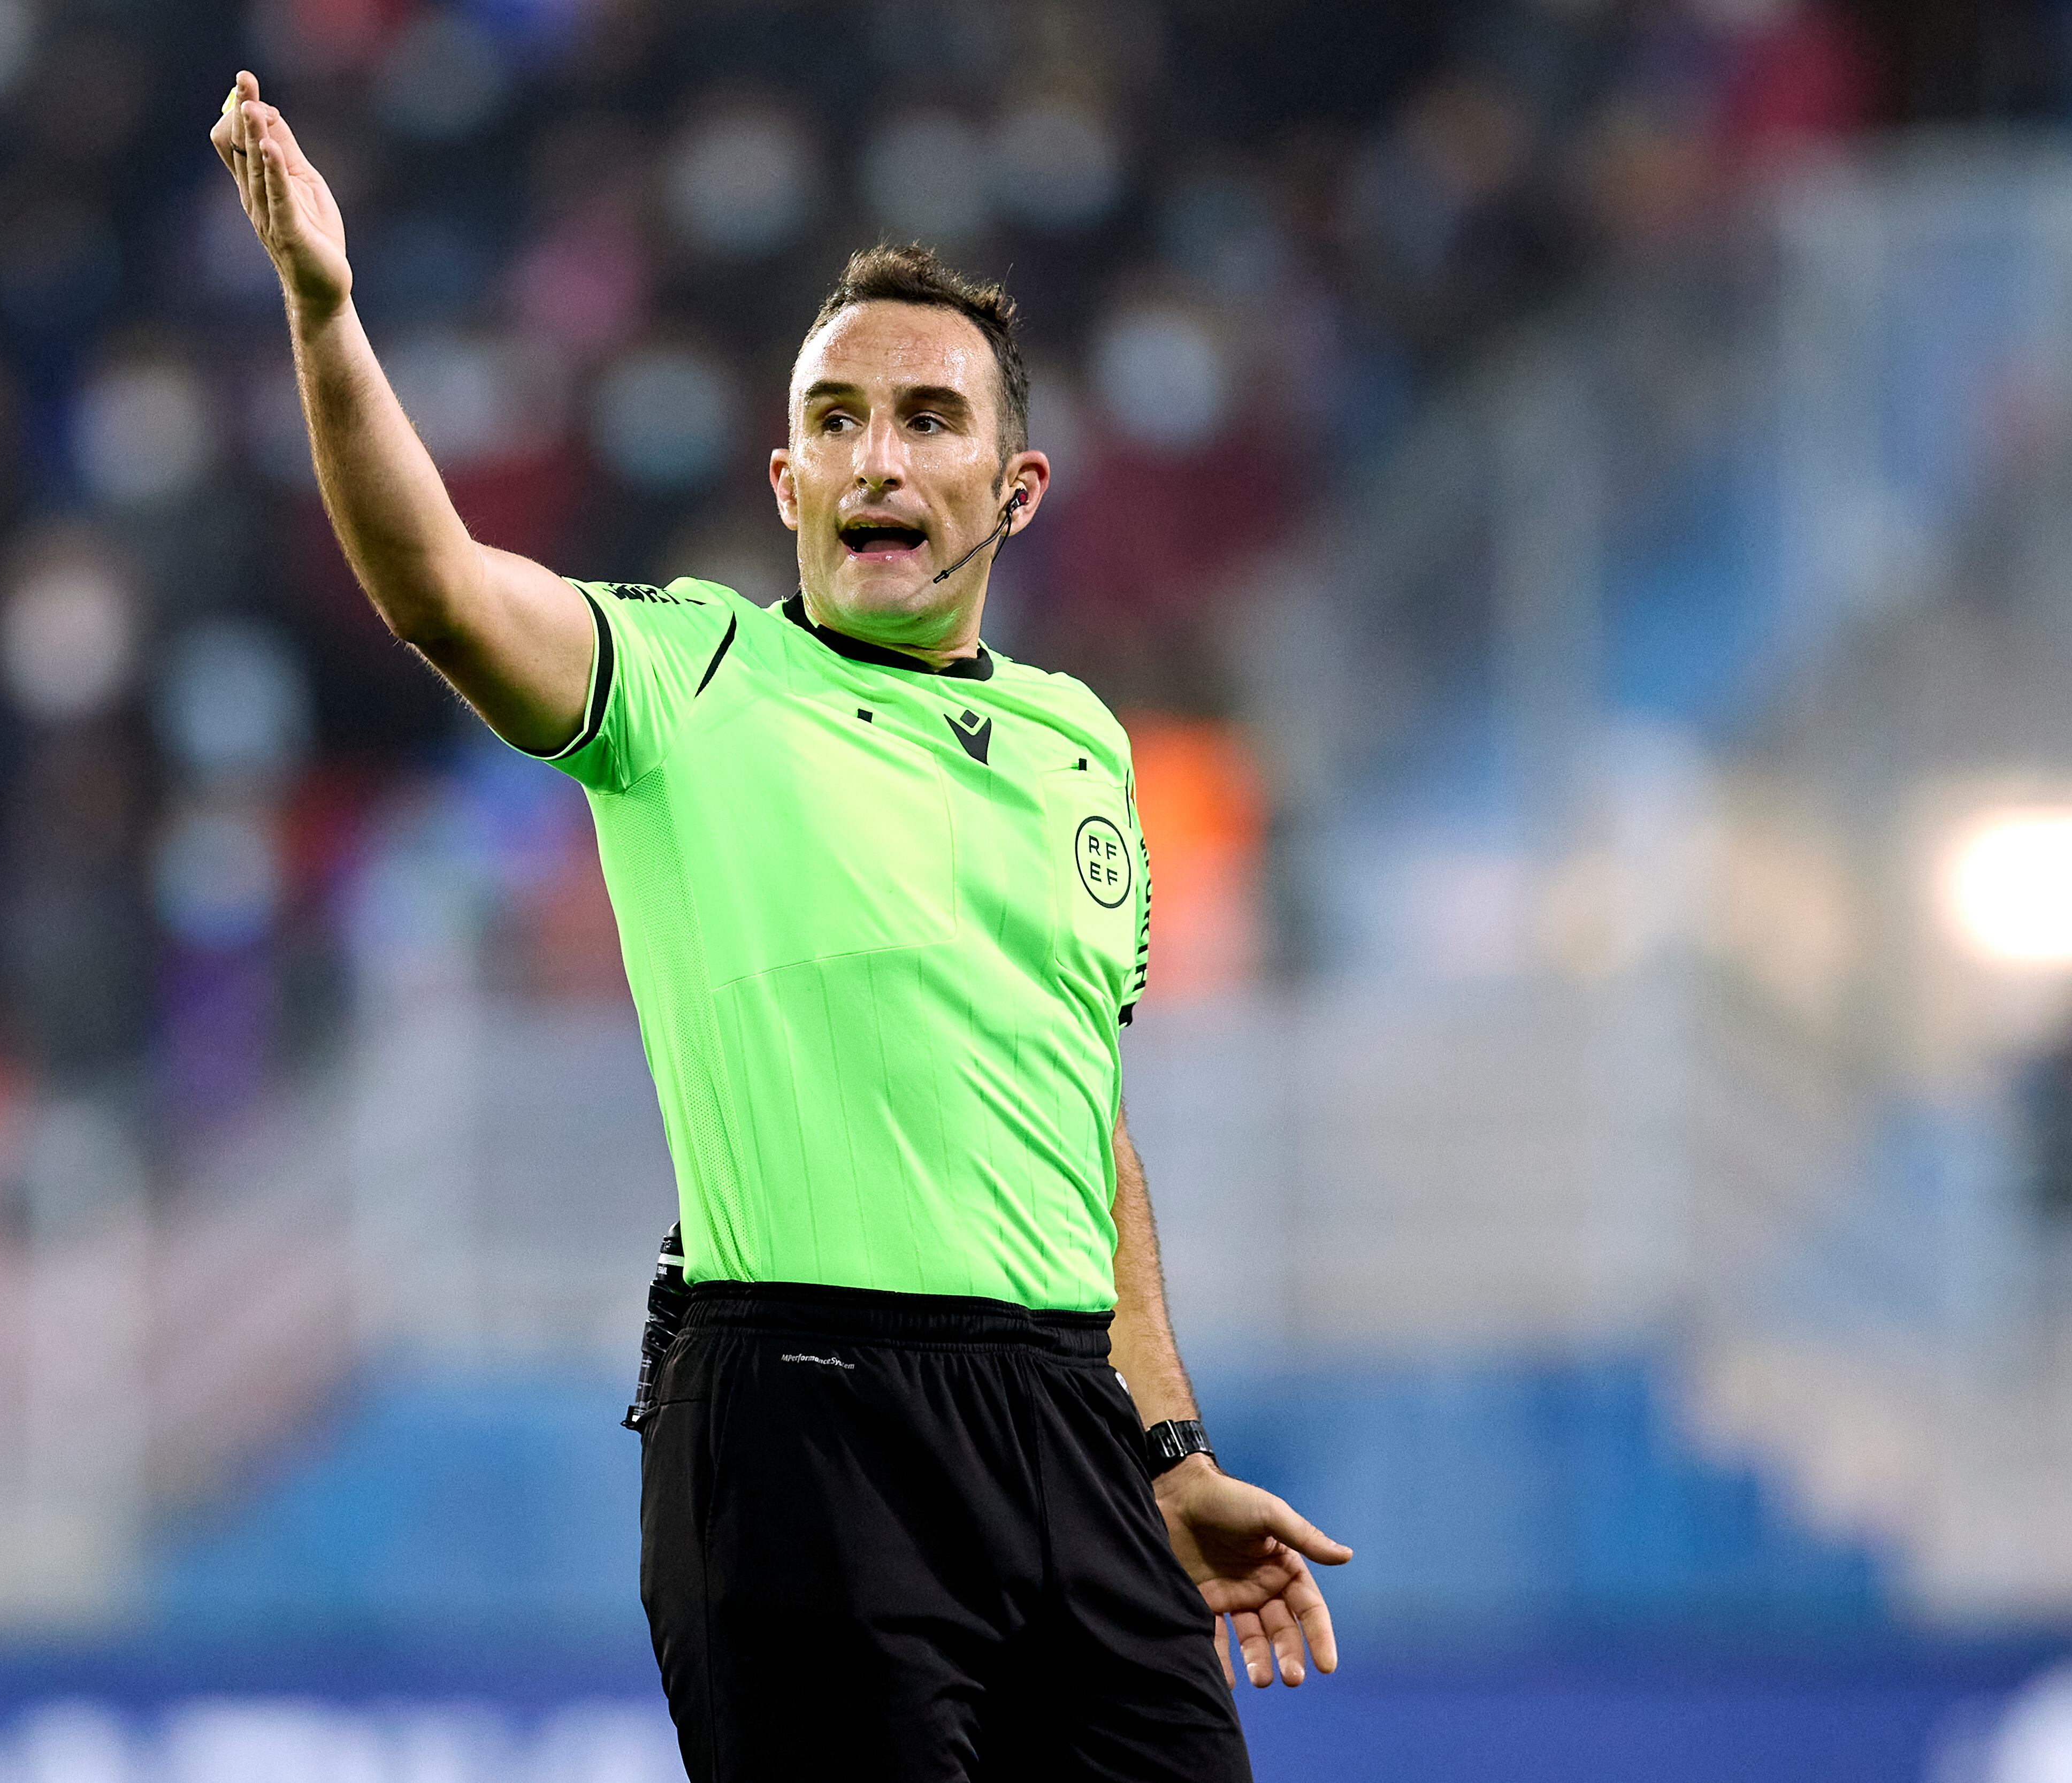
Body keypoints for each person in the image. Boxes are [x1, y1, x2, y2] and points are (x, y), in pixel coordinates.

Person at [213, 73, 1351, 1780]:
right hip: (804, 1412)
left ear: (1016, 485)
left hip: (1068, 1431)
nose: (877, 456)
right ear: (786, 476)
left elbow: (1080, 1128)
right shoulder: (690, 680)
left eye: (926, 418)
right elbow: (437, 583)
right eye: (837, 419)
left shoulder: (1080, 746)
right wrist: (326, 311)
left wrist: (1170, 1447)